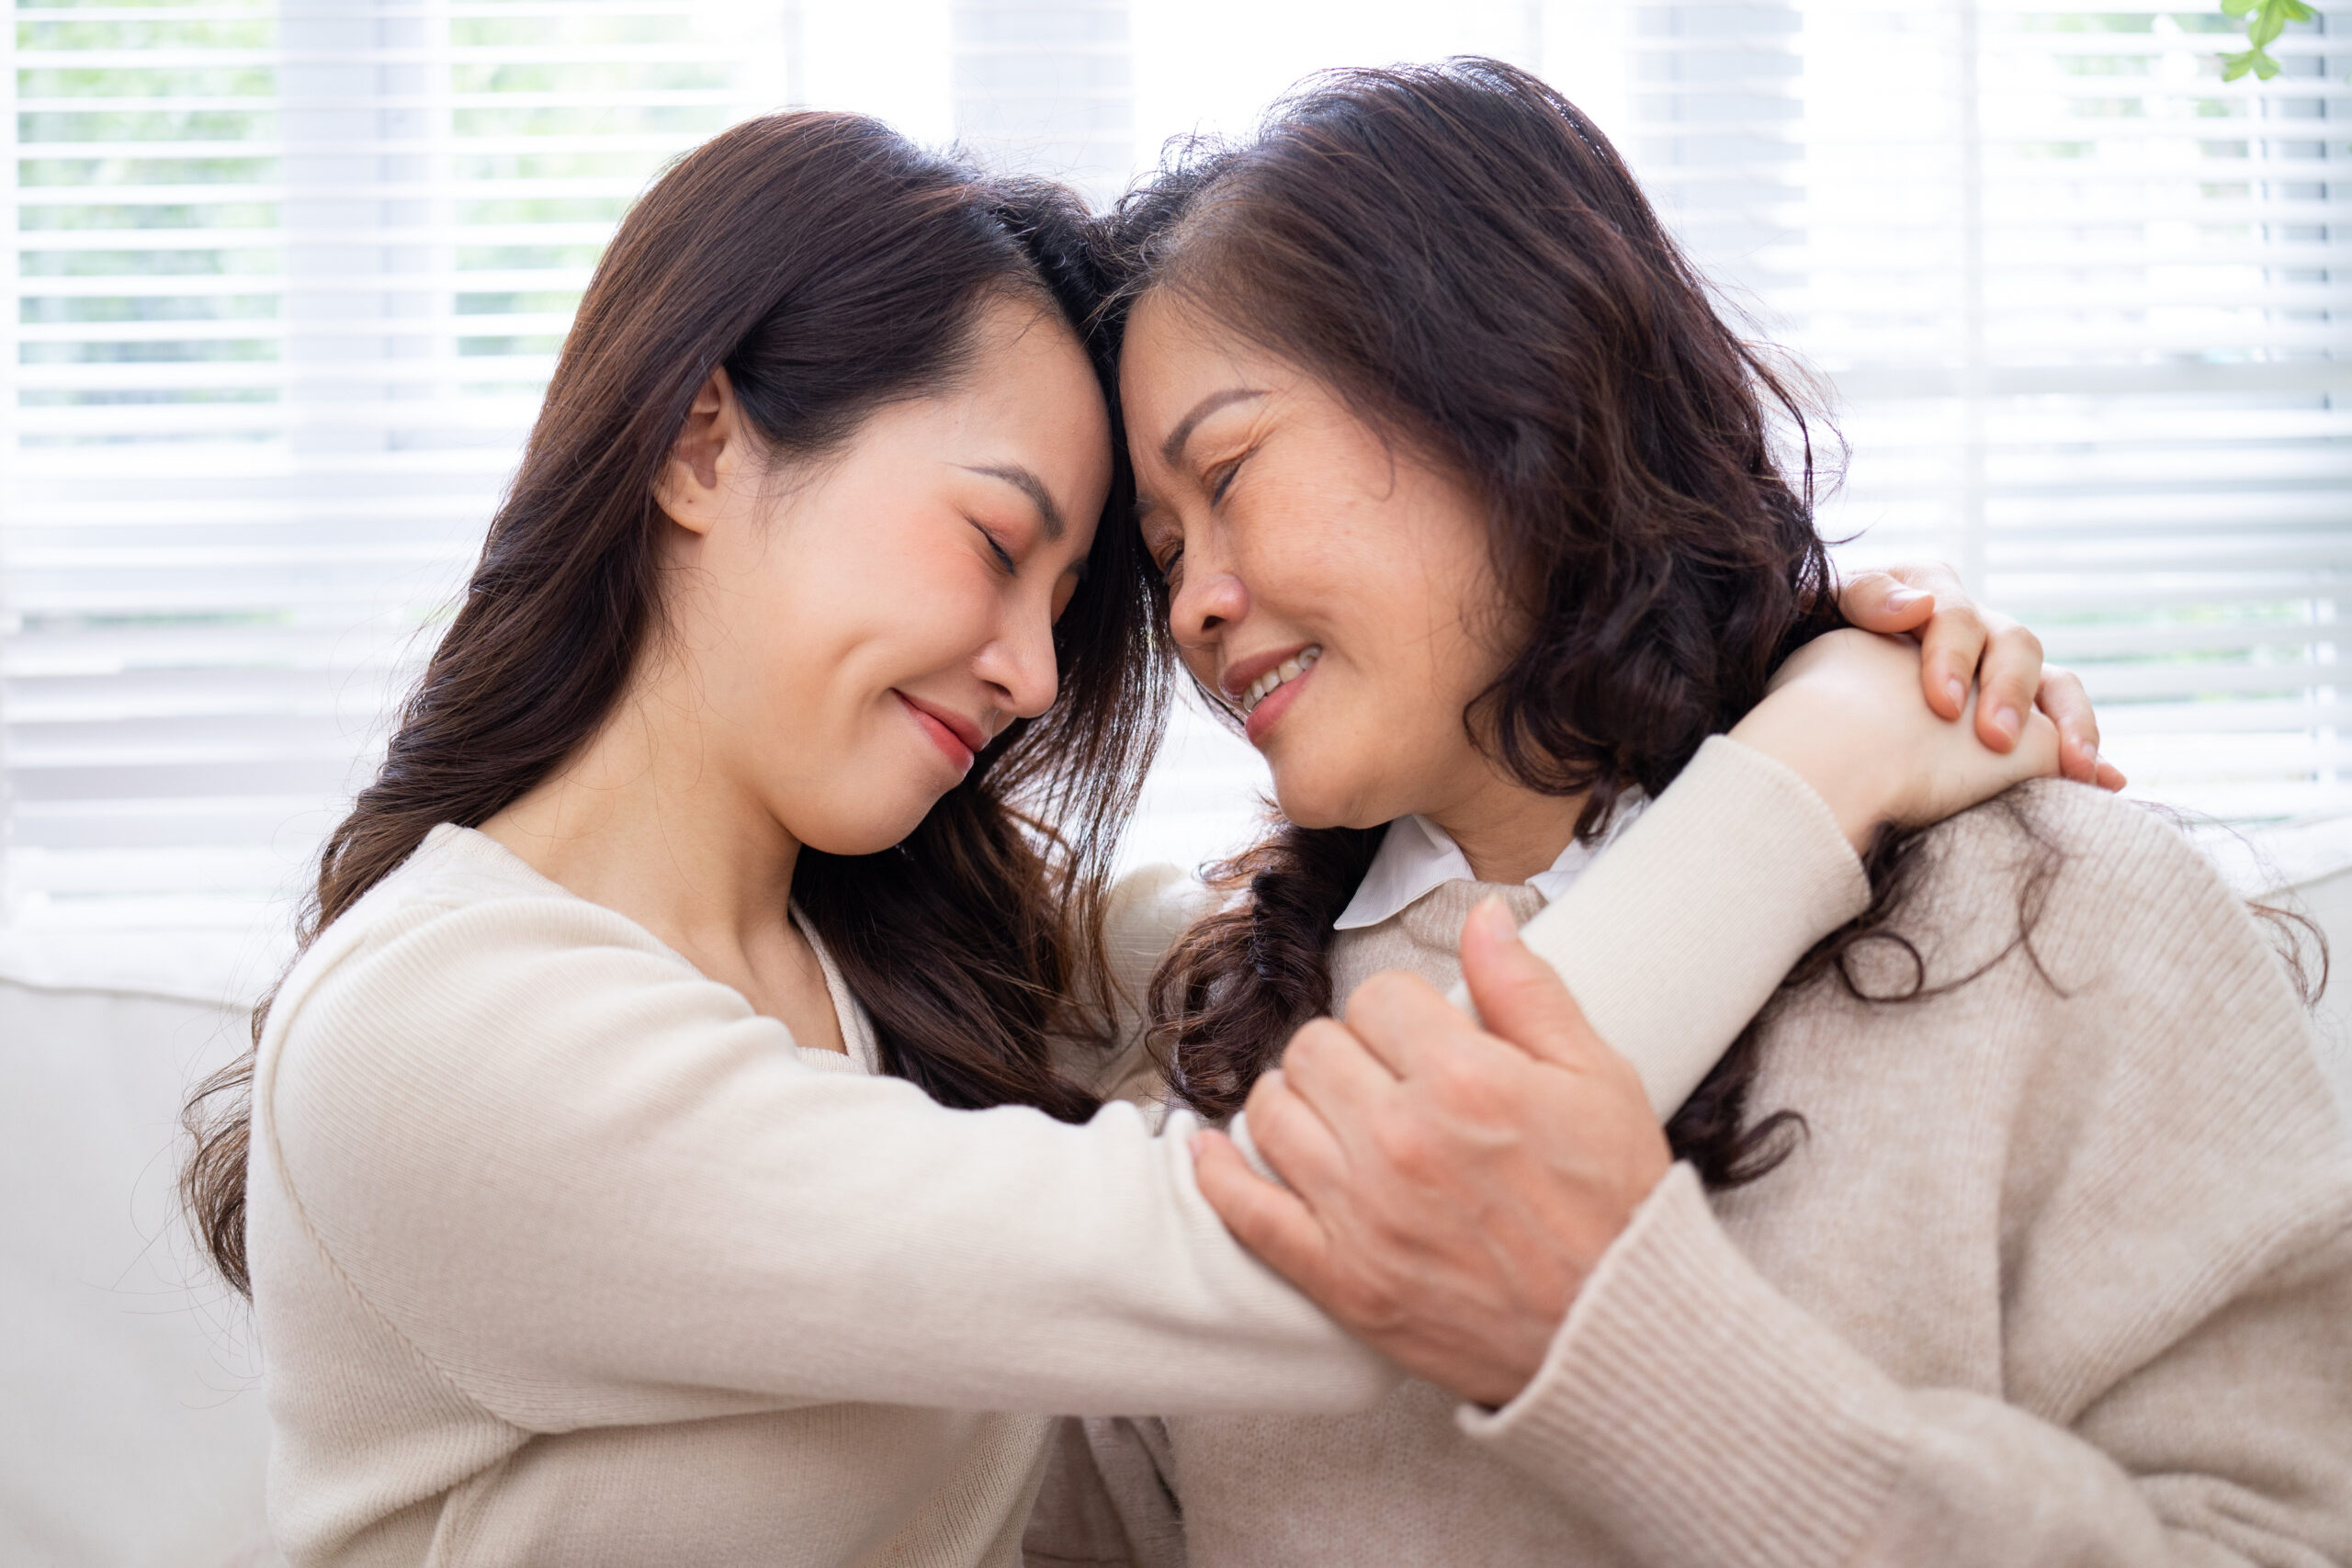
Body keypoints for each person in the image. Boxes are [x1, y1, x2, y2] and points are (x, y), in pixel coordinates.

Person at [182, 111, 2084, 1567]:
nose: (1030, 670)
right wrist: (1811, 759)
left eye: (1100, 585)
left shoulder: (899, 944)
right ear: (699, 445)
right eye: (1000, 543)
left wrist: (1797, 657)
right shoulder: (445, 1034)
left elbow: (1396, 916)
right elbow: (1329, 1241)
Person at [1030, 58, 2352, 1568]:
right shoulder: (1200, 1038)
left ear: (1503, 388)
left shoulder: (2066, 918)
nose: (1196, 602)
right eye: (1161, 542)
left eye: (1233, 472)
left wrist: (1620, 1341)